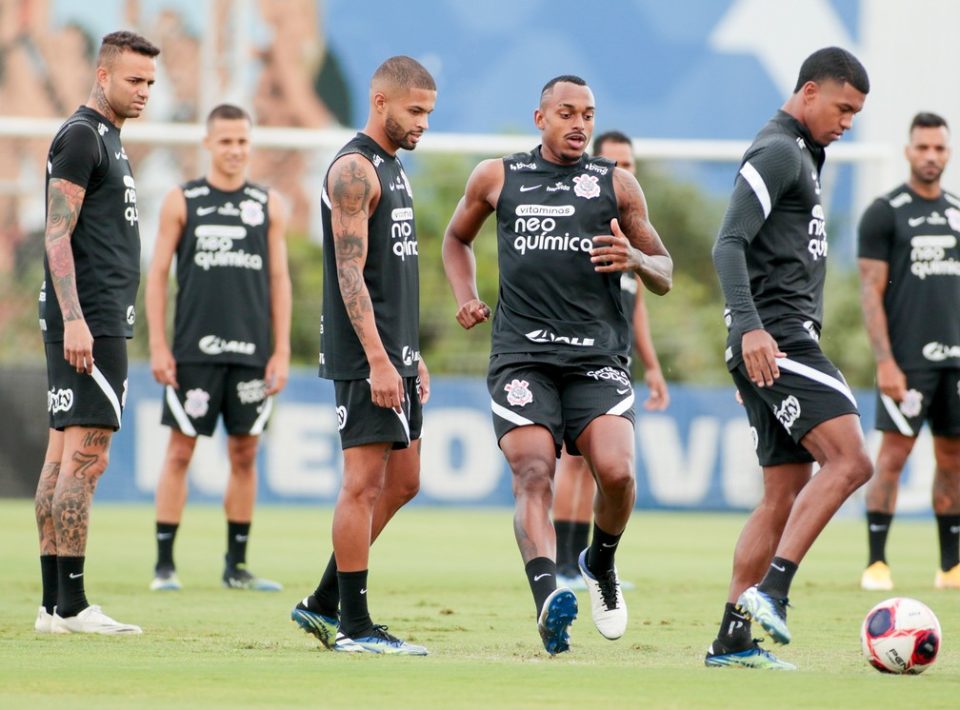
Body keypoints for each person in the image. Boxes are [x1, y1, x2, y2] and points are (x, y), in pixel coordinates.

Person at [442, 76, 673, 655]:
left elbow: (666, 272)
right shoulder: (498, 176)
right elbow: (455, 239)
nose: (579, 124)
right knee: (533, 472)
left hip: (595, 357)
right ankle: (548, 596)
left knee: (617, 474)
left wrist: (637, 257)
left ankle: (600, 562)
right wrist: (465, 294)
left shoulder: (617, 184)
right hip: (522, 356)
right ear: (539, 116)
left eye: (588, 115)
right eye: (566, 112)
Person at [705, 47, 871, 670]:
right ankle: (773, 590)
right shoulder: (778, 149)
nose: (847, 121)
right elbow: (728, 243)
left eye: (855, 113)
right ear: (808, 92)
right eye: (842, 108)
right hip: (776, 338)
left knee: (783, 492)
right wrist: (749, 327)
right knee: (852, 461)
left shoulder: (806, 154)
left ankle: (731, 640)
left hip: (776, 336)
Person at [289, 56, 436, 655]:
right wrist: (378, 358)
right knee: (361, 486)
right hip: (364, 357)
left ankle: (323, 602)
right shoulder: (354, 168)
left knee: (404, 482)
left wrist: (411, 354)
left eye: (429, 111)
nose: (423, 122)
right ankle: (353, 624)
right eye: (415, 111)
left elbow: (390, 273)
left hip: (395, 354)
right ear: (380, 101)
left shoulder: (393, 168)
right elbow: (350, 275)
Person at [33, 30, 159, 635]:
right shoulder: (83, 135)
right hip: (90, 319)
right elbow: (56, 233)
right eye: (134, 80)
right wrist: (78, 318)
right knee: (87, 458)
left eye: (150, 83)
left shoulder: (107, 138)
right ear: (103, 76)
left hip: (89, 316)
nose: (144, 92)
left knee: (62, 459)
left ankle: (52, 607)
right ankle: (75, 606)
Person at [145, 104, 291, 592]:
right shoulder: (182, 200)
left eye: (242, 141)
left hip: (252, 352)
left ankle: (237, 566)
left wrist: (282, 350)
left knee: (245, 454)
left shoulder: (268, 204)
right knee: (180, 451)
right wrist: (160, 345)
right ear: (207, 143)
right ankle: (164, 564)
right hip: (193, 352)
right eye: (225, 140)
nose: (234, 150)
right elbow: (158, 276)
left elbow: (278, 279)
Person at [553, 130, 670, 589]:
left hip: (616, 362)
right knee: (577, 465)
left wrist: (654, 366)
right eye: (613, 163)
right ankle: (565, 565)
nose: (622, 172)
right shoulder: (583, 227)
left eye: (629, 164)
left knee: (602, 471)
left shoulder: (632, 237)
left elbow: (637, 309)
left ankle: (581, 562)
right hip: (580, 362)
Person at [857, 112, 960, 592]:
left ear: (948, 153)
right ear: (908, 151)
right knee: (892, 459)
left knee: (953, 460)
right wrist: (884, 361)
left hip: (954, 361)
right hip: (907, 362)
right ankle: (877, 562)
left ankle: (951, 566)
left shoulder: (958, 213)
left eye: (939, 148)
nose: (931, 156)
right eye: (923, 147)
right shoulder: (885, 211)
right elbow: (870, 291)